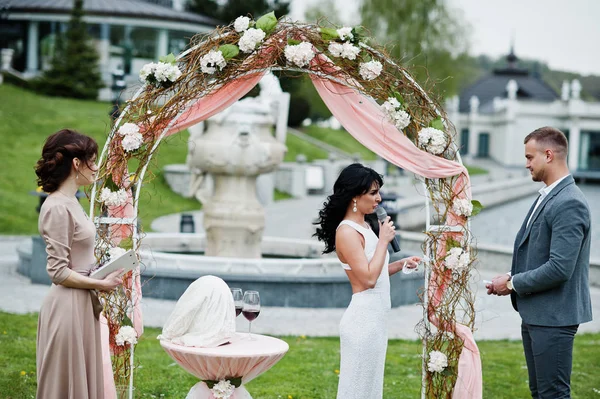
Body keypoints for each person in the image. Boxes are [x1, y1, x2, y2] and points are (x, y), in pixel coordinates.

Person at [486, 127, 592, 398]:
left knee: (553, 394)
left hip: (554, 318)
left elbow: (559, 268)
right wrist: (511, 275)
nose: (526, 164)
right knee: (540, 392)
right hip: (538, 313)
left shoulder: (569, 202)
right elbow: (539, 254)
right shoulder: (549, 195)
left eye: (530, 157)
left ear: (548, 155)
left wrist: (512, 283)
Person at [314, 163, 421, 399]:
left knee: (371, 390)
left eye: (378, 192)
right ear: (354, 195)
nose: (379, 199)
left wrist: (400, 264)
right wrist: (383, 240)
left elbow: (375, 270)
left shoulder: (363, 225)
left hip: (376, 320)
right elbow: (368, 280)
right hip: (363, 321)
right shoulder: (347, 232)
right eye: (373, 193)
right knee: (357, 390)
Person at [34, 129, 124, 398]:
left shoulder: (73, 202)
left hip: (83, 304)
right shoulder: (57, 207)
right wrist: (100, 283)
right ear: (76, 163)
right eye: (93, 161)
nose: (96, 168)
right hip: (67, 308)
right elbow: (58, 272)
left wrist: (102, 269)